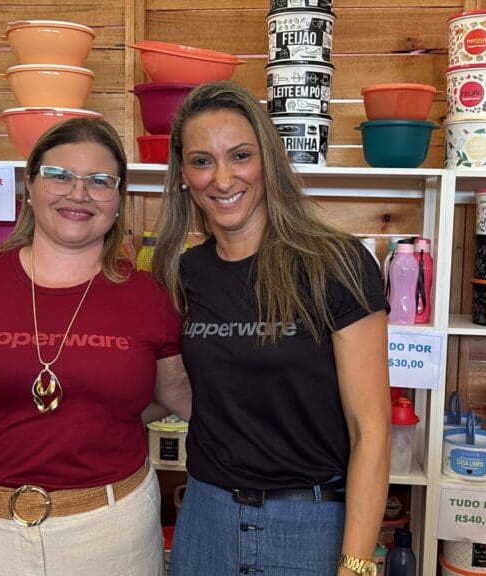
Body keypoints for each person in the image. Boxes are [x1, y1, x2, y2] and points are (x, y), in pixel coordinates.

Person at [0, 117, 191, 576]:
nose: (78, 194)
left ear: (119, 201)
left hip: (113, 533)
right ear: (30, 187)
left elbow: (183, 397)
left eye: (100, 181)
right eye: (59, 176)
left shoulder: (148, 296)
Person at [151, 81, 392, 576]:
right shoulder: (183, 273)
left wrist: (356, 564)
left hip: (310, 522)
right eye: (201, 161)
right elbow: (166, 384)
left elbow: (370, 430)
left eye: (240, 155)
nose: (222, 179)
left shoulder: (336, 263)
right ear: (183, 176)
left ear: (268, 161)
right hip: (206, 517)